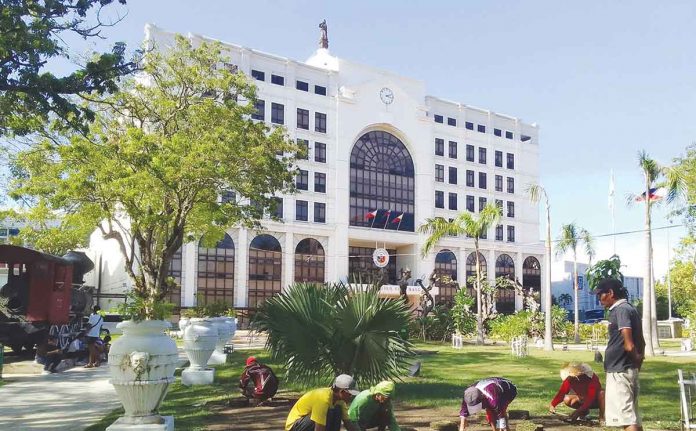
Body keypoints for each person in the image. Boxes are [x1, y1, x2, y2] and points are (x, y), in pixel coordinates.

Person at [596, 278, 645, 431]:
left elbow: (629, 343)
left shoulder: (621, 309)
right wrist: (637, 363)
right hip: (625, 368)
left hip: (620, 369)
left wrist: (635, 359)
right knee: (632, 417)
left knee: (627, 418)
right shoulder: (629, 308)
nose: (599, 299)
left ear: (610, 293)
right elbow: (641, 342)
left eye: (600, 294)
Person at [285, 374, 360, 431]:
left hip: (311, 424)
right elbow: (319, 428)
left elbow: (347, 423)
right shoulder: (323, 399)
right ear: (342, 392)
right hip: (294, 427)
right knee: (328, 413)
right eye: (350, 394)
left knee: (337, 411)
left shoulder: (340, 401)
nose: (351, 397)